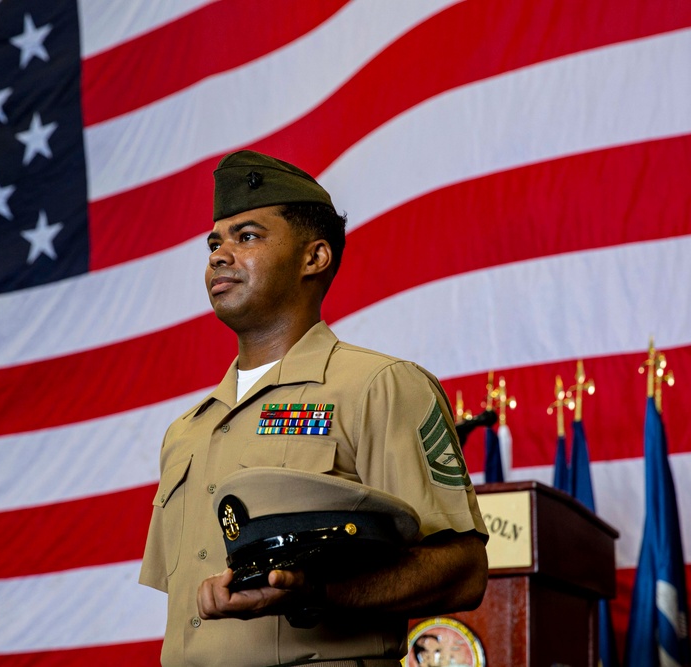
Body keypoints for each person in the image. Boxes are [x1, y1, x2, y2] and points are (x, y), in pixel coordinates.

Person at [139, 150, 489, 667]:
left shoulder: (380, 386)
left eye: (247, 236)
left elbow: (464, 571)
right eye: (215, 242)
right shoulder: (187, 431)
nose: (218, 254)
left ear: (314, 257)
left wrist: (314, 592)